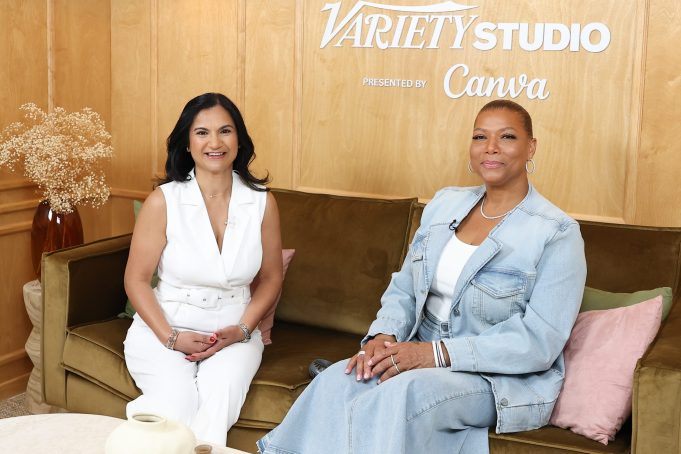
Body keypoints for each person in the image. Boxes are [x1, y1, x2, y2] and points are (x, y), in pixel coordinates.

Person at [256, 100, 586, 453]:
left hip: (497, 379)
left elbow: (539, 343)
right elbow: (405, 289)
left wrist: (433, 354)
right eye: (480, 137)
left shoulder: (556, 233)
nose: (491, 148)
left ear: (530, 147)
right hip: (418, 353)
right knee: (338, 379)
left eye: (506, 136)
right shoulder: (445, 205)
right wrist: (382, 337)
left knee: (404, 393)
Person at [123, 92, 282, 446]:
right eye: (202, 133)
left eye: (225, 131)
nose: (215, 142)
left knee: (219, 397)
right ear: (187, 142)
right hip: (163, 327)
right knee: (178, 406)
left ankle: (141, 433)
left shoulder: (262, 203)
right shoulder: (162, 200)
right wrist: (171, 337)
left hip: (234, 332)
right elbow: (135, 280)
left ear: (239, 140)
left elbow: (271, 278)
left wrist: (242, 330)